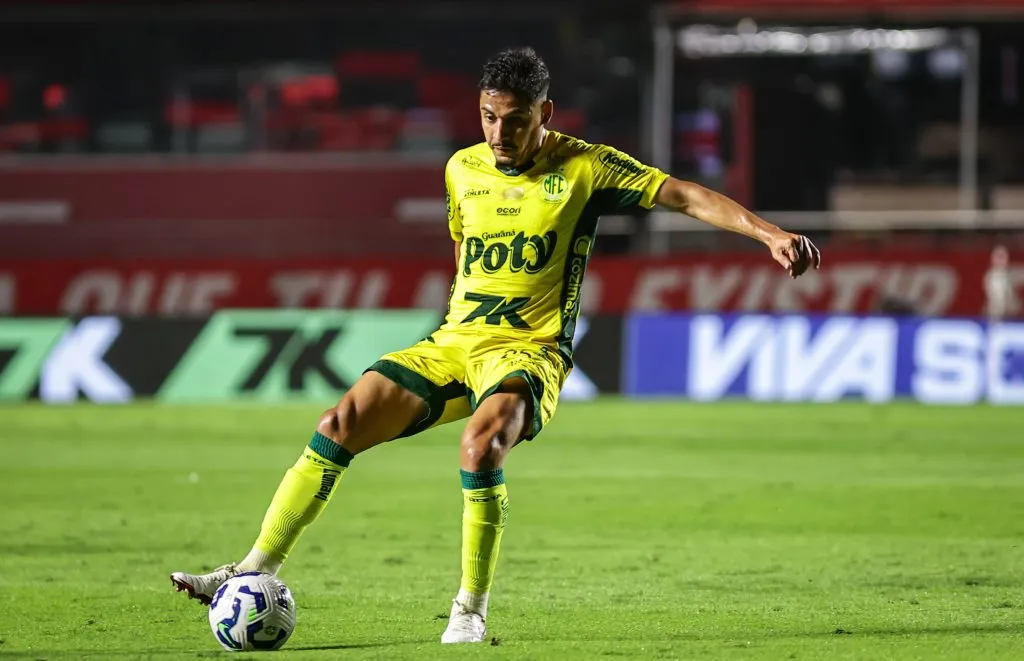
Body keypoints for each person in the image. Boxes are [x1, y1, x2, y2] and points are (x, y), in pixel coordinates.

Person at [170, 47, 821, 644]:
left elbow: (684, 195)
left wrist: (769, 235)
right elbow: (464, 248)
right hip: (456, 341)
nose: (498, 133)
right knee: (336, 424)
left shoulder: (585, 168)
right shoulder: (462, 169)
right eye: (488, 117)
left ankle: (469, 609)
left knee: (480, 447)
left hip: (529, 350)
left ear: (545, 114)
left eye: (514, 121)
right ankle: (250, 568)